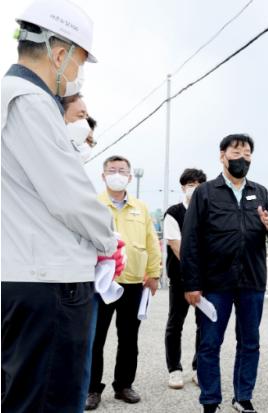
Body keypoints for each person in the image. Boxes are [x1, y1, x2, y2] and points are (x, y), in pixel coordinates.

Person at [1, 1, 124, 412]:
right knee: (49, 401)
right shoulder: (30, 101)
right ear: (59, 54)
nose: (78, 74)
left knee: (22, 397)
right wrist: (109, 240)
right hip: (49, 283)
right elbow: (71, 199)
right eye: (79, 62)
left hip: (20, 275)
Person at [181, 134, 268, 413]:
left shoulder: (260, 192)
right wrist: (191, 283)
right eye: (236, 153)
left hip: (251, 280)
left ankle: (243, 397)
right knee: (209, 343)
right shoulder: (206, 192)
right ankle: (210, 400)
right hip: (215, 283)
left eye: (247, 154)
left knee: (250, 342)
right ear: (222, 156)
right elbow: (190, 240)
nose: (242, 158)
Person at [85, 155, 162, 410]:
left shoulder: (141, 208)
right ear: (103, 175)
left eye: (121, 170)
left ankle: (124, 385)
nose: (116, 174)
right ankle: (91, 389)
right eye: (112, 170)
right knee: (95, 338)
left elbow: (151, 242)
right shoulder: (93, 205)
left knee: (129, 338)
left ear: (129, 176)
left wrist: (154, 273)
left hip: (133, 282)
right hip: (100, 283)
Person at [164, 168, 207, 389]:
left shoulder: (209, 211)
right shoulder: (173, 212)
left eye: (199, 184)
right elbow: (177, 247)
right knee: (175, 324)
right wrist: (194, 273)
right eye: (190, 184)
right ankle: (174, 370)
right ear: (183, 187)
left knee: (204, 325)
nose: (194, 188)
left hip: (206, 280)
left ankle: (199, 368)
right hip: (181, 278)